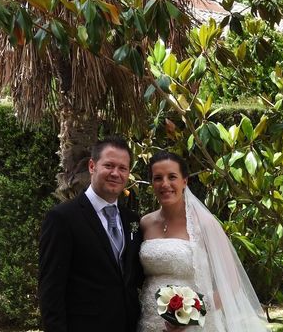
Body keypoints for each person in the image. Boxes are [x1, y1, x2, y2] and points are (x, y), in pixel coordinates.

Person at [138, 151, 268, 332]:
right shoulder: (145, 223)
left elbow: (232, 282)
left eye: (172, 177)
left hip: (194, 324)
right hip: (149, 321)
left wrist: (191, 316)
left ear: (185, 181)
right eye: (158, 178)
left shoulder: (205, 224)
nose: (165, 184)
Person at [39, 136, 143, 332]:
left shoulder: (132, 220)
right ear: (92, 166)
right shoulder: (62, 218)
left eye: (123, 168)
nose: (115, 173)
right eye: (109, 165)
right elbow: (51, 290)